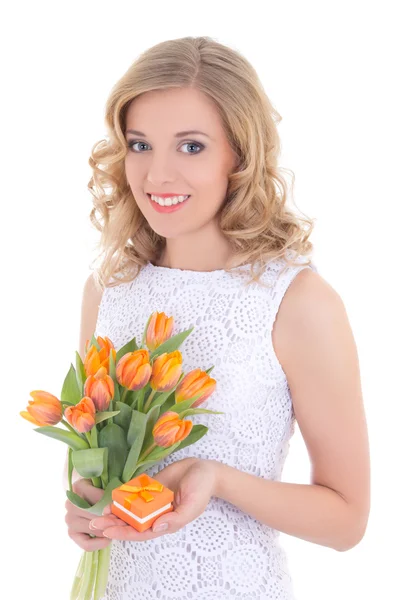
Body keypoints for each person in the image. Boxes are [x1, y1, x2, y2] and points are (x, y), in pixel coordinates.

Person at [64, 36, 370, 599]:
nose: (157, 175)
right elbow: (92, 462)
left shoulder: (298, 301)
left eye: (191, 147)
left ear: (240, 155)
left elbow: (348, 520)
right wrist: (87, 506)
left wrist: (219, 480)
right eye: (139, 144)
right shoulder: (109, 291)